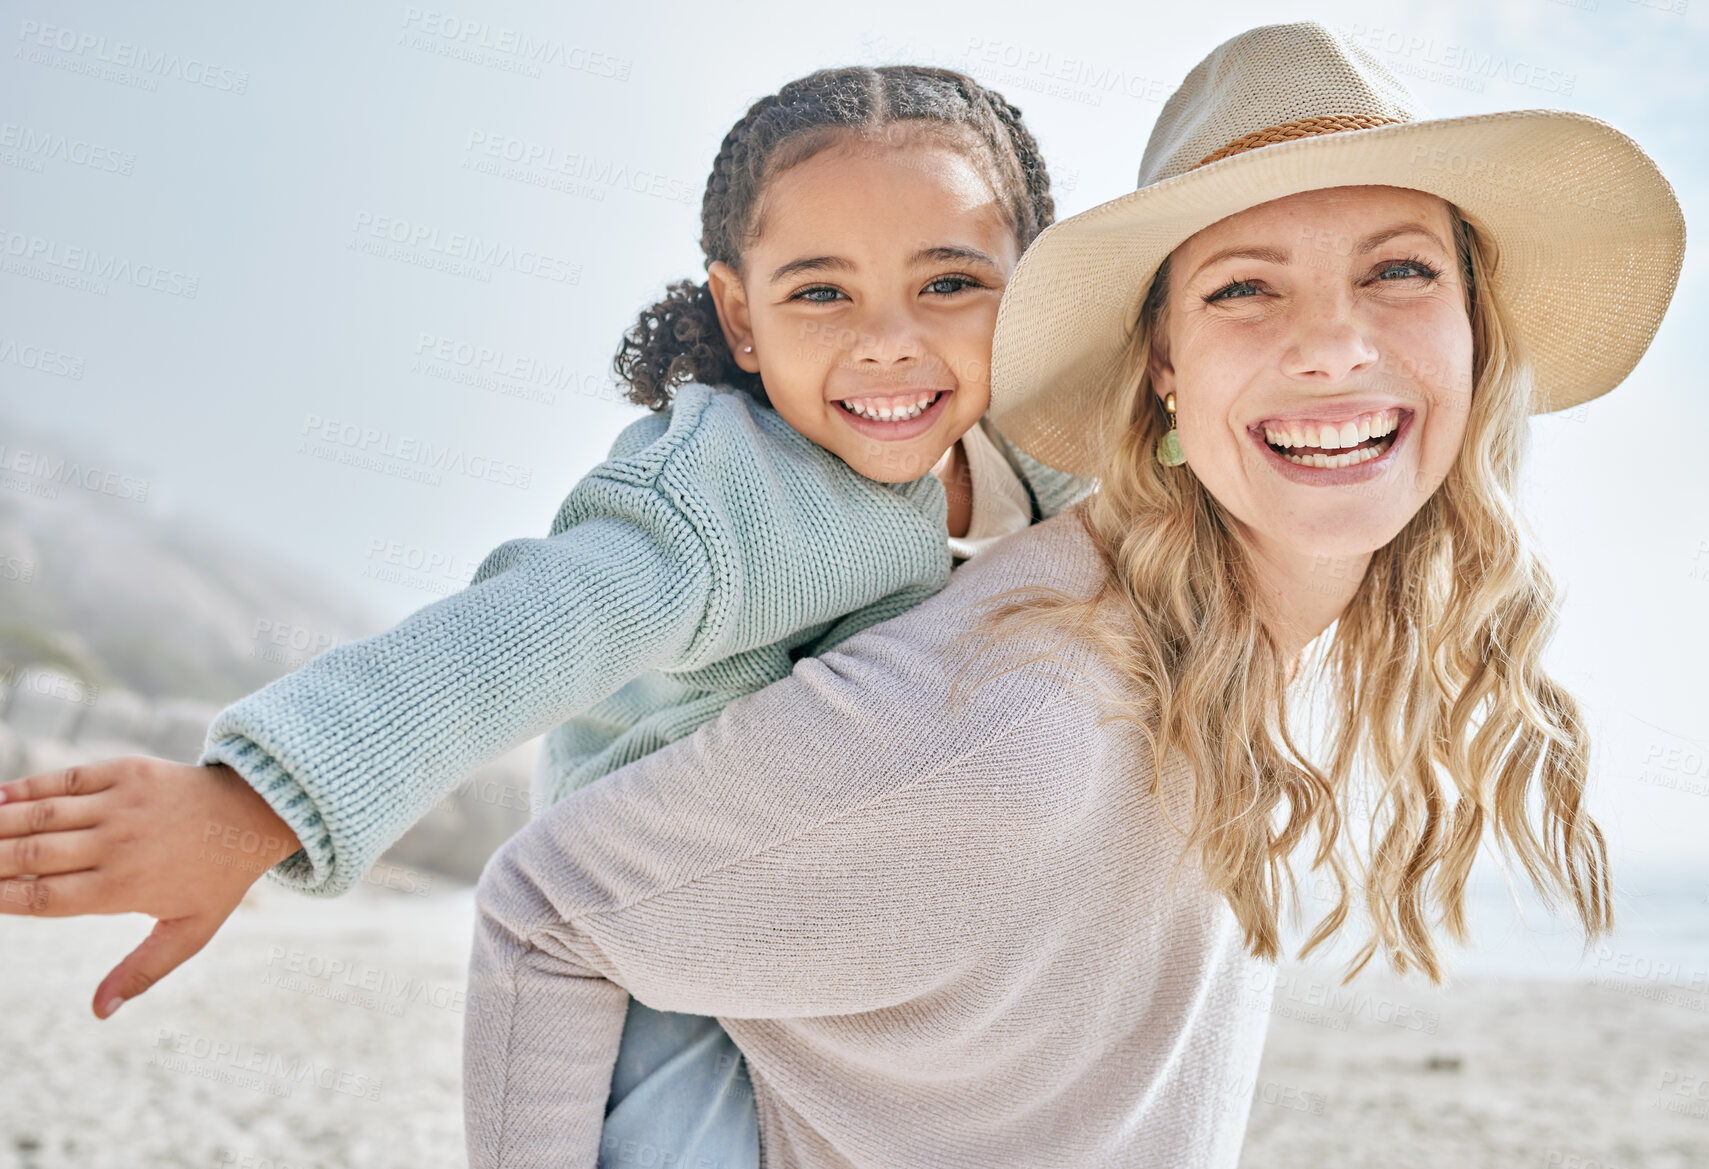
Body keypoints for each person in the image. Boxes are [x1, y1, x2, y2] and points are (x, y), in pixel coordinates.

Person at [459, 21, 1685, 1169]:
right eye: (1244, 287)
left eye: (1400, 270)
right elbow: (544, 907)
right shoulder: (1017, 714)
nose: (1332, 345)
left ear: (1474, 328)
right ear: (1159, 363)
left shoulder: (1220, 619)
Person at [0, 66, 1087, 1168]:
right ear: (740, 317)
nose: (887, 339)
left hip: (848, 931)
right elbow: (524, 631)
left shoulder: (1035, 454)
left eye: (949, 283)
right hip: (651, 943)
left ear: (1031, 288)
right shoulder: (725, 503)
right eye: (819, 293)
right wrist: (249, 801)